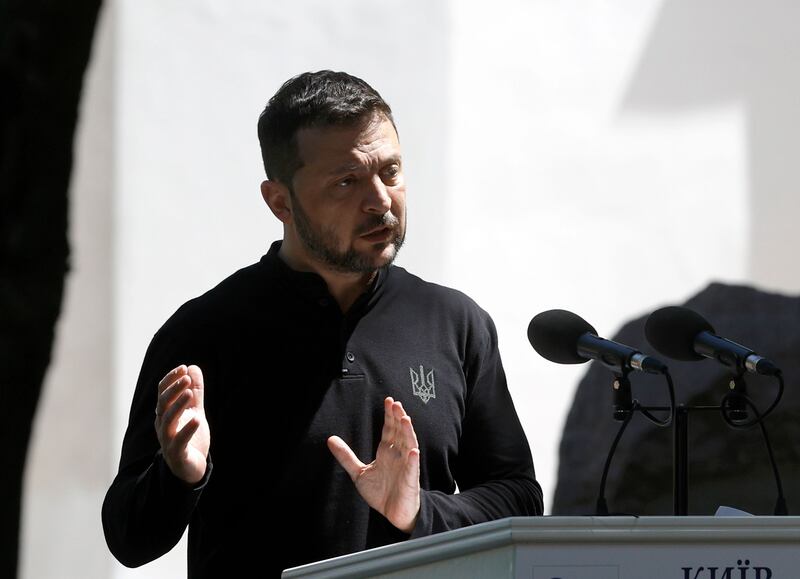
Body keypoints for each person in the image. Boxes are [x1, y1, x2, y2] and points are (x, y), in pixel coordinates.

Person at [102, 70, 543, 578]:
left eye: (391, 171)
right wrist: (179, 476)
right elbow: (128, 541)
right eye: (346, 181)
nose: (379, 200)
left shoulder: (456, 323)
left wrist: (419, 512)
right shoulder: (203, 333)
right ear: (280, 203)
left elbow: (518, 498)